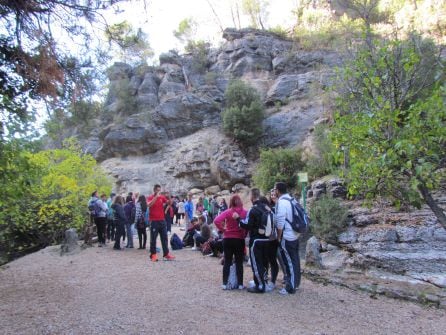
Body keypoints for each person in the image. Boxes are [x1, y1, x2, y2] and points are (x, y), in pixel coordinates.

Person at [236, 189, 277, 293]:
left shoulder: (253, 209)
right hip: (267, 239)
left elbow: (247, 225)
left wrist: (238, 219)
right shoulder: (267, 208)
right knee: (264, 262)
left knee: (256, 263)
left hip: (256, 240)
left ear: (252, 197)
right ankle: (264, 282)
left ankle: (260, 286)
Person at [214, 194, 247, 290]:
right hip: (239, 239)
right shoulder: (245, 212)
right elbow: (247, 225)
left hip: (227, 238)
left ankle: (224, 284)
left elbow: (216, 220)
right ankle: (240, 284)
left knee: (227, 261)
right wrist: (244, 234)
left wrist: (223, 230)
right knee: (239, 262)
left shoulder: (228, 212)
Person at [274, 182, 301, 295]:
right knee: (295, 260)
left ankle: (290, 287)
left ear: (278, 190)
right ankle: (296, 283)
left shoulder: (282, 202)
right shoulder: (292, 199)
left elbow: (280, 222)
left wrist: (278, 237)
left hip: (287, 236)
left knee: (289, 262)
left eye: (275, 189)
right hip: (295, 234)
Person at [147, 184, 175, 262]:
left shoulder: (162, 197)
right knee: (153, 239)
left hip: (162, 220)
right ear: (155, 190)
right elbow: (149, 205)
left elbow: (169, 204)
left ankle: (166, 254)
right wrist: (156, 197)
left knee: (164, 238)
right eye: (158, 190)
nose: (159, 191)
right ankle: (153, 255)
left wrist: (169, 196)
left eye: (160, 190)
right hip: (154, 221)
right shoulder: (150, 197)